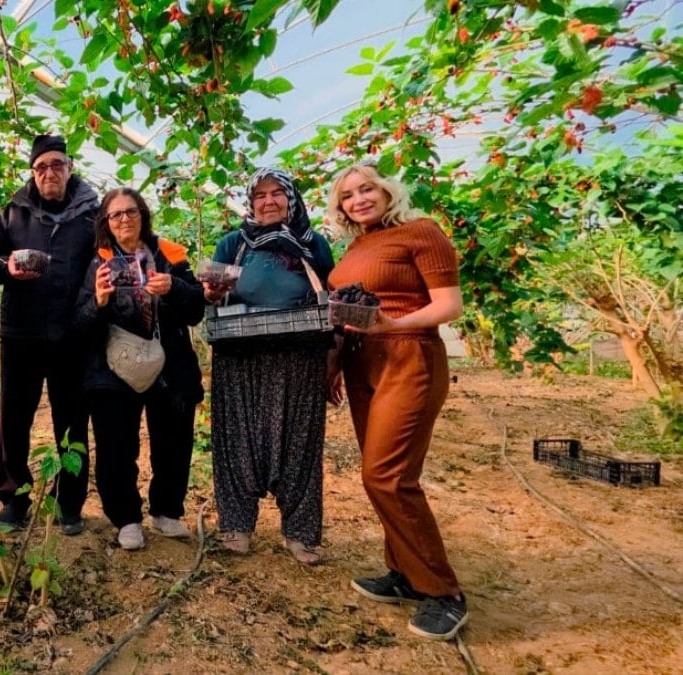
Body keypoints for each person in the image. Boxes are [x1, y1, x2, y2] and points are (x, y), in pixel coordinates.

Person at [325, 163, 468, 640]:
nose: (359, 199)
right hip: (363, 361)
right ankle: (405, 573)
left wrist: (392, 325)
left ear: (388, 190)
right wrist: (336, 362)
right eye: (348, 196)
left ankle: (443, 592)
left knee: (386, 476)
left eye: (367, 189)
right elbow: (349, 311)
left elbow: (449, 304)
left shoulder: (420, 232)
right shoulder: (358, 246)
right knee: (384, 473)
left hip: (408, 358)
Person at [202, 168, 334, 561]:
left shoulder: (313, 245)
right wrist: (211, 289)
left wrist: (334, 362)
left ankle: (299, 534)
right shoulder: (233, 244)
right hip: (240, 357)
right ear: (251, 202)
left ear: (292, 199)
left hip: (301, 356)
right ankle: (236, 527)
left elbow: (333, 296)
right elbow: (212, 294)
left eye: (278, 193)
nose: (269, 201)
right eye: (260, 195)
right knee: (236, 440)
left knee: (300, 443)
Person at [0, 133, 99, 533]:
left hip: (73, 334)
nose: (50, 172)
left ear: (70, 168)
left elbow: (106, 261)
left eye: (57, 165)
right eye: (41, 166)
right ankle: (14, 497)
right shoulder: (13, 211)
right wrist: (6, 269)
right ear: (33, 172)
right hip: (21, 332)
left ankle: (69, 503)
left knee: (72, 420)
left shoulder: (91, 215)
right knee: (14, 419)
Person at [74, 188, 205, 550]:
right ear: (107, 224)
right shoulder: (99, 263)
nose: (124, 219)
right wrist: (99, 302)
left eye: (130, 212)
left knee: (174, 440)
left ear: (143, 215)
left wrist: (174, 287)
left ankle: (166, 511)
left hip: (170, 363)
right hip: (112, 368)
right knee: (116, 445)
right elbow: (80, 325)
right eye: (115, 215)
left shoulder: (170, 254)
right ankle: (126, 518)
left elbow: (196, 308)